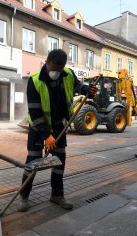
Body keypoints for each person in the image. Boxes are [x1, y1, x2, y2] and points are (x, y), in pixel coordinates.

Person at [18, 49, 98, 212]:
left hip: (59, 125)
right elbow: (35, 111)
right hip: (38, 128)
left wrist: (88, 91)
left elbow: (79, 86)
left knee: (59, 160)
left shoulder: (67, 74)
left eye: (59, 70)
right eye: (53, 68)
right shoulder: (35, 81)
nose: (56, 72)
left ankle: (57, 195)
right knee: (32, 161)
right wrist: (46, 135)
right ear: (47, 63)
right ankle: (24, 196)